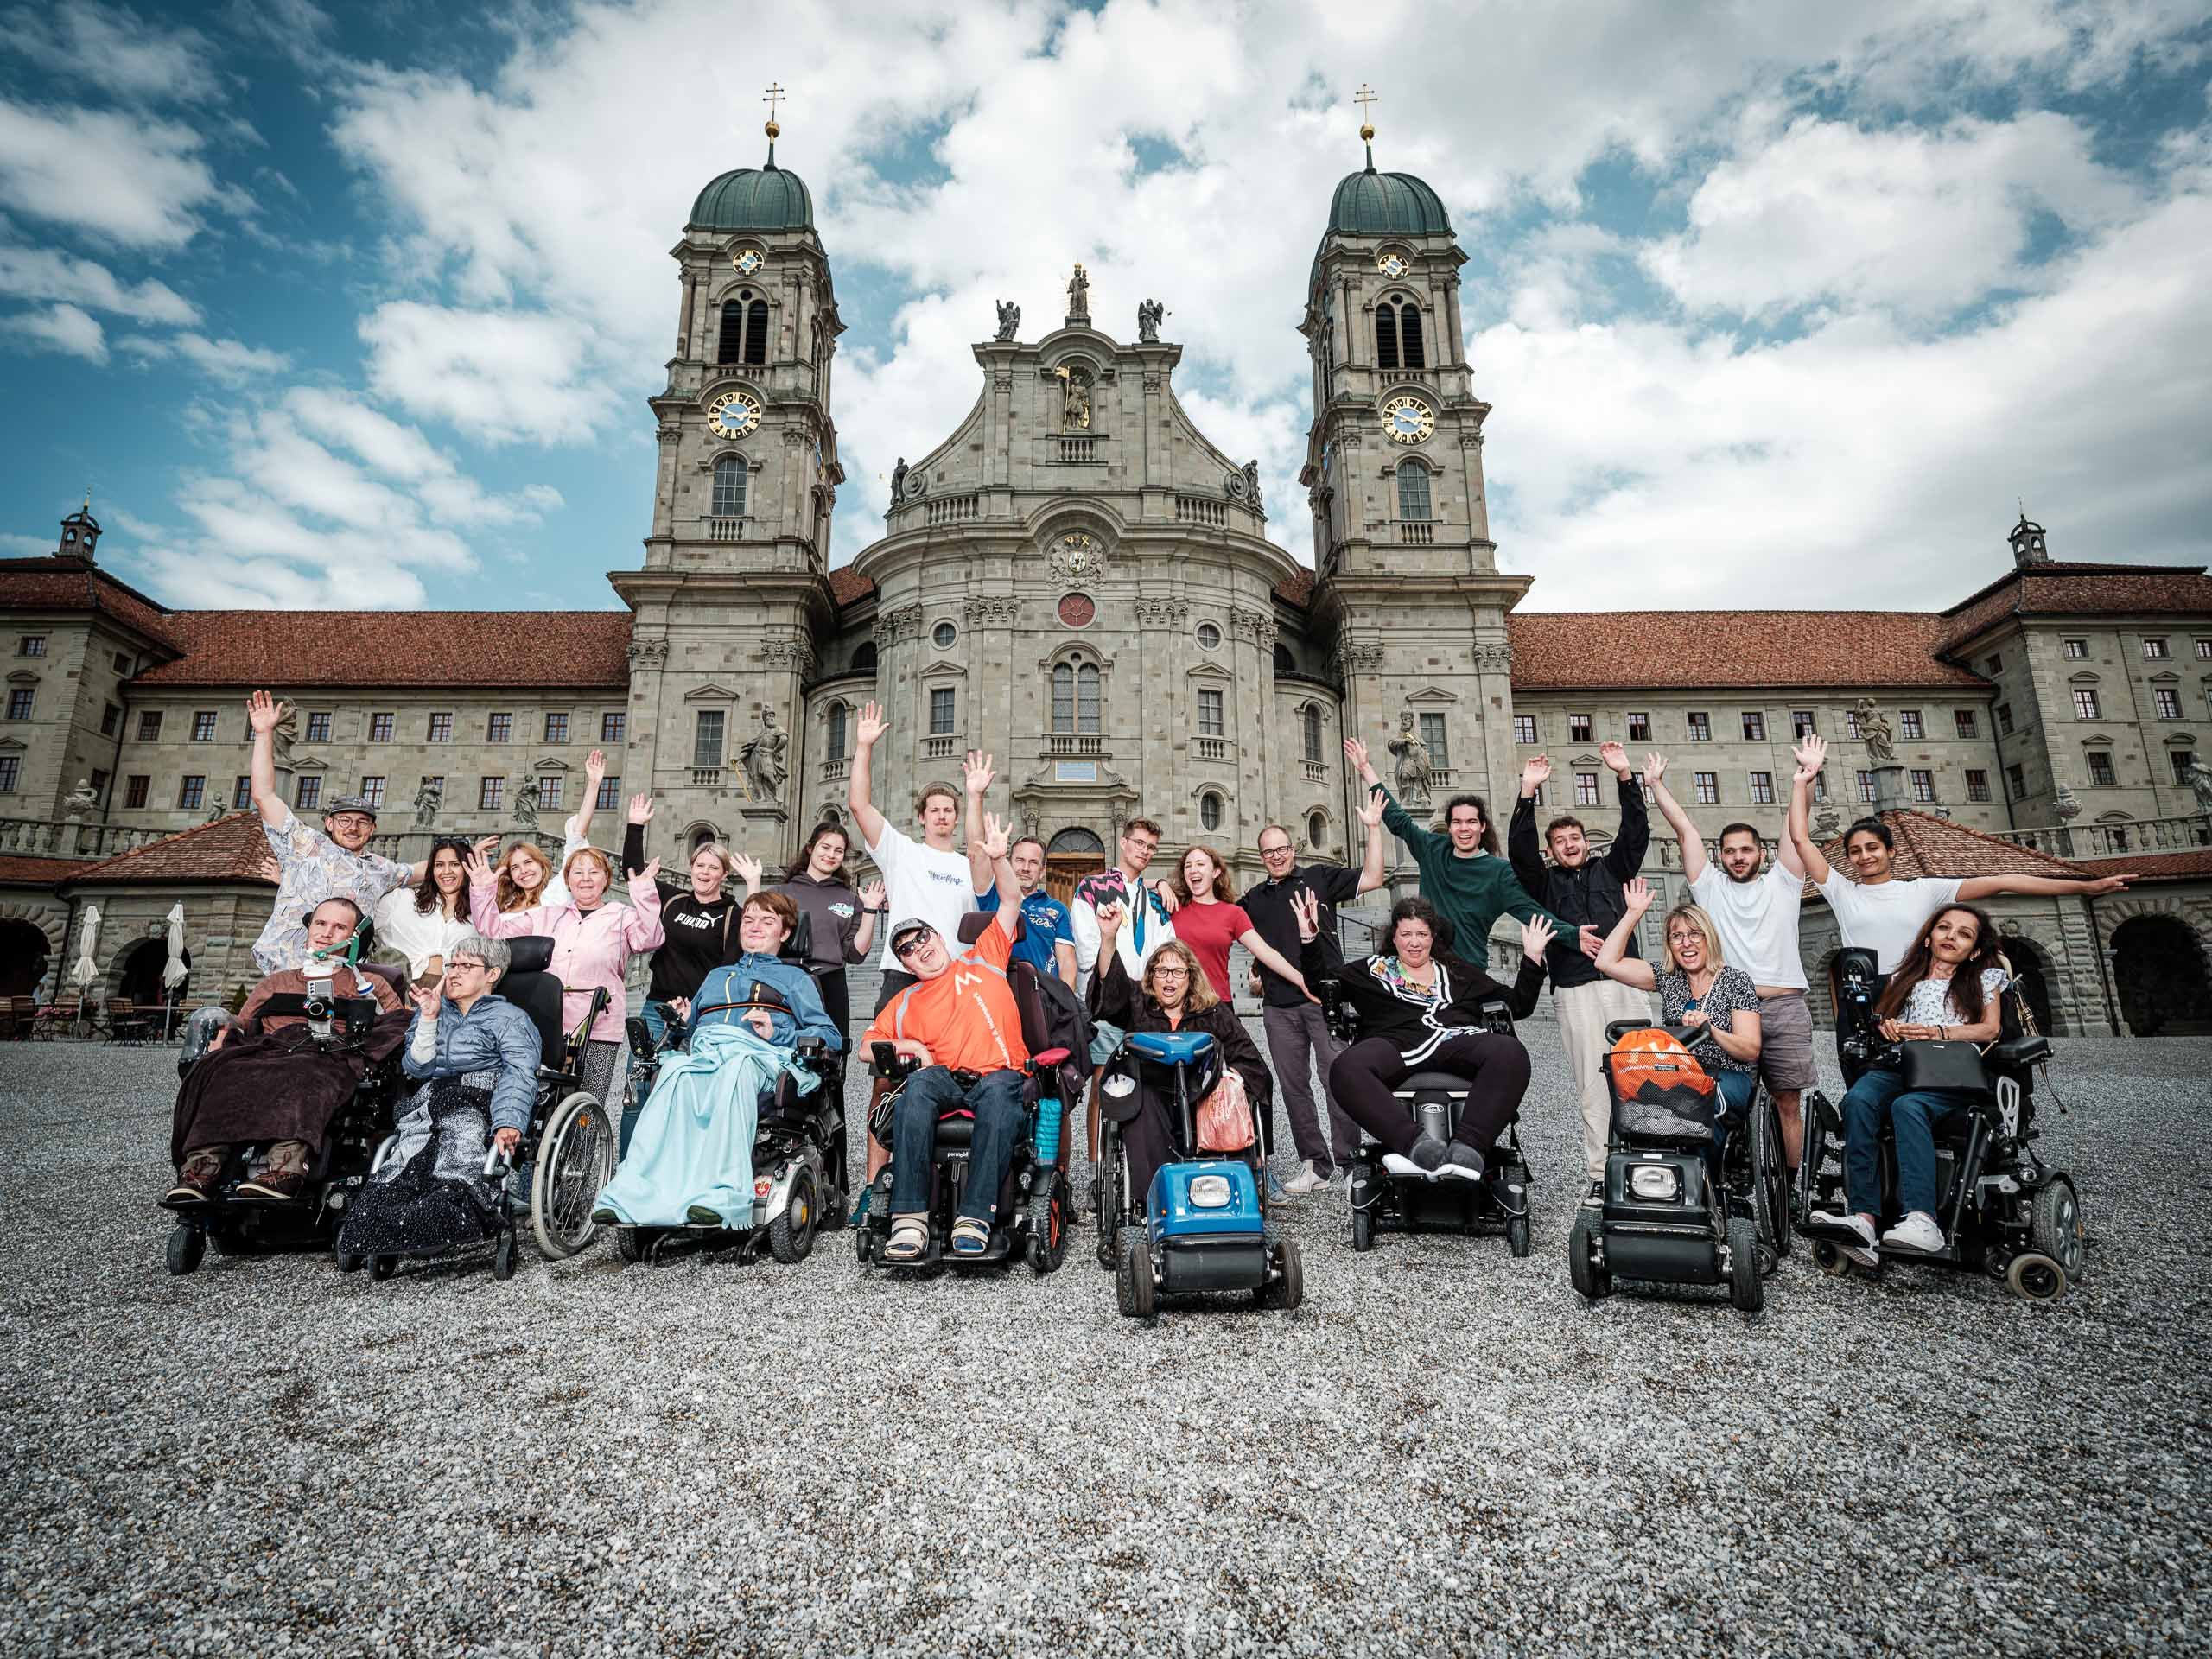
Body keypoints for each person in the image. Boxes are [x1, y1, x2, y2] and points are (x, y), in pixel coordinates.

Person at [1789, 734, 2136, 972]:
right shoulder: (1841, 891)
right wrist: (1806, 779)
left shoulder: (1925, 888)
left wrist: (2084, 887)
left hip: (1918, 986)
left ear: (1890, 851)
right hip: (1865, 992)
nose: (1864, 856)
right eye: (1855, 851)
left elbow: (2004, 881)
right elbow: (1802, 839)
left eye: (1872, 848)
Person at [594, 889, 842, 1223]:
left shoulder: (797, 979)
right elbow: (690, 1030)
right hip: (707, 1053)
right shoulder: (715, 977)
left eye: (767, 921)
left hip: (759, 1056)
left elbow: (830, 1036)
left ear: (785, 933)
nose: (754, 926)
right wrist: (681, 1021)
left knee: (735, 1070)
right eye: (749, 919)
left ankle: (723, 1194)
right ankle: (633, 1192)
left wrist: (778, 1032)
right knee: (673, 1071)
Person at [861, 810, 1031, 1261]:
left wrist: (998, 860)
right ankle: (909, 1220)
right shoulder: (907, 1001)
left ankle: (974, 1217)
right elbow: (865, 1047)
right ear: (905, 962)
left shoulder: (984, 957)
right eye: (908, 950)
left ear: (938, 937)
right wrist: (909, 1047)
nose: (920, 950)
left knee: (998, 1096)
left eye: (923, 939)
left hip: (999, 1072)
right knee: (915, 1086)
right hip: (946, 1078)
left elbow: (1011, 902)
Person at [166, 897, 407, 1204]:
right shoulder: (275, 983)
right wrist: (223, 1034)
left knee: (305, 1070)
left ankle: (285, 1168)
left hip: (328, 1056)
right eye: (321, 923)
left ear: (353, 938)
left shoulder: (370, 985)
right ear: (309, 927)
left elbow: (397, 1027)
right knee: (224, 1070)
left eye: (339, 927)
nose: (327, 933)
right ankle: (202, 1169)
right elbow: (243, 1023)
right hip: (270, 1051)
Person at [1648, 753, 1817, 1185]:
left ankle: (1790, 1188)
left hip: (1781, 1006)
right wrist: (1655, 783)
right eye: (1730, 851)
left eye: (1746, 850)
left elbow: (1797, 831)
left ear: (1761, 853)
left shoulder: (1784, 881)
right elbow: (1684, 828)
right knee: (1716, 1094)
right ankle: (1722, 1173)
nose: (1738, 857)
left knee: (1786, 1103)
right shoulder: (1710, 887)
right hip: (1723, 1006)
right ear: (1719, 855)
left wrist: (1807, 778)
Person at [1294, 892, 1541, 1186]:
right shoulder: (1373, 970)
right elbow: (1323, 986)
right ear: (1394, 937)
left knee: (1511, 1052)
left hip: (1456, 1039)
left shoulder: (1457, 973)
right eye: (1407, 934)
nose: (1414, 942)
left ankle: (1469, 1147)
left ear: (1433, 937)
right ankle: (1417, 1146)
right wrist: (1309, 939)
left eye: (1422, 934)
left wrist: (1533, 958)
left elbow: (1518, 1005)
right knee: (1345, 1068)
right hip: (1394, 1042)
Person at [1809, 904, 2010, 1264]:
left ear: (1975, 950)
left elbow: (1990, 1029)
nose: (1951, 937)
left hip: (1949, 1070)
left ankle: (1923, 1220)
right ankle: (1863, 1219)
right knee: (1858, 1100)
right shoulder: (1905, 978)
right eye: (1944, 928)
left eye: (1964, 934)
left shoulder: (1984, 978)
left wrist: (1939, 1032)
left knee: (1908, 1107)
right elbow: (1887, 1022)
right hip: (1902, 1064)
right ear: (1929, 936)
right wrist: (1888, 1026)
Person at [334, 932, 542, 1261]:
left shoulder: (511, 1019)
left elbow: (519, 1073)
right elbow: (416, 1068)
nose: (454, 972)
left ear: (492, 974)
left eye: (466, 965)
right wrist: (429, 1018)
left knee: (455, 1156)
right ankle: (388, 1226)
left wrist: (508, 1123)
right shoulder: (433, 1009)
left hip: (479, 1100)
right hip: (431, 1101)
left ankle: (448, 1217)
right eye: (452, 964)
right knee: (405, 1160)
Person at [1242, 748, 1392, 1196]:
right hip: (1280, 1005)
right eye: (1269, 852)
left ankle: (1349, 1163)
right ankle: (1316, 1164)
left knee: (1339, 1080)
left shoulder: (1319, 879)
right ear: (1262, 856)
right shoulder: (1253, 898)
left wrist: (1373, 829)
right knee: (1294, 1088)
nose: (1277, 857)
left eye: (1283, 849)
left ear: (1293, 849)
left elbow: (1375, 877)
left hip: (1327, 999)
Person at [1508, 742, 1656, 1193]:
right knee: (1593, 1084)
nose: (1569, 845)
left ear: (1585, 842)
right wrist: (1527, 791)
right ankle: (1599, 1173)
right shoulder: (1543, 883)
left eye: (1575, 838)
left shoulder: (1612, 871)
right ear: (1552, 850)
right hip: (1574, 990)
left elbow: (1636, 831)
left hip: (1624, 983)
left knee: (1644, 1073)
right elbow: (1519, 851)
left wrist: (1625, 777)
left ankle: (1650, 1163)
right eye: (1560, 841)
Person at [466, 838, 664, 1109]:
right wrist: (481, 888)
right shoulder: (549, 915)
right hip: (548, 1021)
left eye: (594, 872)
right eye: (577, 872)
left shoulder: (622, 915)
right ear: (567, 879)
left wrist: (644, 893)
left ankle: (581, 1152)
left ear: (606, 879)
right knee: (539, 1101)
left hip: (599, 1025)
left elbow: (650, 939)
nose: (585, 879)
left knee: (587, 1105)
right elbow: (493, 930)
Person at [1347, 735, 1572, 970]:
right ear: (1450, 827)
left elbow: (1532, 914)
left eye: (1471, 822)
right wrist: (1365, 769)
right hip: (1426, 970)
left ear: (1482, 827)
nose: (1464, 829)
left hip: (1468, 973)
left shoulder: (1499, 872)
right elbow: (1397, 819)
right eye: (1457, 822)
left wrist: (1574, 936)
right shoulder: (1432, 849)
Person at [1087, 929, 1273, 1207]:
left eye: (1177, 972)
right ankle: (1157, 1198)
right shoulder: (1139, 1004)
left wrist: (1234, 1078)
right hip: (1152, 1094)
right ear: (1151, 977)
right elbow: (1112, 993)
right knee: (1141, 1103)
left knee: (1224, 1097)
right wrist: (1109, 939)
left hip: (1201, 1096)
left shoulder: (1212, 1012)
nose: (1169, 979)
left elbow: (1252, 1062)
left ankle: (1221, 1196)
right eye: (1161, 971)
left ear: (1191, 977)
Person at [1593, 879, 1764, 1177]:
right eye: (1677, 937)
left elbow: (1750, 1049)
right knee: (1637, 1108)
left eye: (1695, 934)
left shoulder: (1736, 981)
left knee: (1697, 1107)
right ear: (1670, 945)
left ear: (1709, 938)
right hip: (1676, 1074)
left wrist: (1711, 1029)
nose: (1686, 943)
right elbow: (1606, 961)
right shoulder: (1668, 977)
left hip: (1727, 1075)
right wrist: (1633, 913)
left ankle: (1704, 1183)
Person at [242, 689, 420, 972]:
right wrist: (264, 734)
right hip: (287, 967)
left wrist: (470, 855)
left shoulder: (381, 869)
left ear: (373, 829)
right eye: (345, 820)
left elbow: (427, 869)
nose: (353, 827)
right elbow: (264, 795)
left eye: (362, 822)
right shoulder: (304, 843)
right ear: (329, 823)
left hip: (341, 973)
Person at [847, 704, 988, 1014]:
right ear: (922, 818)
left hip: (953, 974)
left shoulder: (969, 866)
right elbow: (859, 805)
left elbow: (979, 848)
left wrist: (976, 796)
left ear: (956, 820)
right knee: (888, 1058)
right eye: (934, 810)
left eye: (948, 810)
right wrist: (863, 747)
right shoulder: (902, 852)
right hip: (904, 973)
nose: (941, 816)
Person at [619, 798, 745, 1045]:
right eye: (700, 865)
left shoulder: (732, 913)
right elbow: (633, 874)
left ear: (724, 875)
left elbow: (729, 968)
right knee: (640, 1078)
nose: (705, 872)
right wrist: (635, 826)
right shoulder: (672, 899)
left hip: (701, 1010)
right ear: (691, 868)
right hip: (658, 1005)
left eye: (713, 868)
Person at [765, 820, 885, 1037]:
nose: (831, 855)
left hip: (830, 983)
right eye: (825, 847)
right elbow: (760, 936)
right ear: (811, 848)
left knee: (833, 1052)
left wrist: (870, 910)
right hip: (786, 980)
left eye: (838, 851)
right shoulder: (781, 892)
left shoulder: (849, 899)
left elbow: (855, 954)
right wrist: (754, 883)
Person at [961, 762, 1076, 988]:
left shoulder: (1057, 910)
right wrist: (975, 797)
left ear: (1042, 871)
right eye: (1019, 861)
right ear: (1009, 862)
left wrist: (1065, 1008)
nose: (1025, 868)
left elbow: (1067, 963)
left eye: (1033, 863)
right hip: (997, 992)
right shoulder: (992, 895)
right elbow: (976, 852)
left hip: (1042, 998)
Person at [1166, 843, 1313, 1008]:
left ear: (1216, 872)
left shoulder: (1233, 913)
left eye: (1200, 864)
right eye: (1188, 866)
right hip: (1176, 1005)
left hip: (1216, 1004)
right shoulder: (1172, 907)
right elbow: (1133, 886)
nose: (1193, 870)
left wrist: (1301, 980)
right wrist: (1159, 883)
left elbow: (1265, 951)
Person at [477, 749, 609, 915]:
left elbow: (576, 838)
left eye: (528, 862)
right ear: (510, 875)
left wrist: (593, 785)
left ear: (541, 864)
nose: (523, 871)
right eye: (515, 867)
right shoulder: (503, 903)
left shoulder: (556, 893)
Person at [1068, 816, 1177, 994]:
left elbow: (1166, 948)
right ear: (1123, 842)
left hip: (1145, 1002)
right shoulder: (1092, 887)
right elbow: (1085, 947)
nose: (1145, 851)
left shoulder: (1155, 901)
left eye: (1151, 847)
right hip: (1101, 1001)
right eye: (1139, 843)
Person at [372, 836, 477, 984]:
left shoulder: (479, 912)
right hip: (403, 990)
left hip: (456, 992)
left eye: (455, 864)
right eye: (439, 865)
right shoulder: (401, 900)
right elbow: (359, 925)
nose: (446, 871)